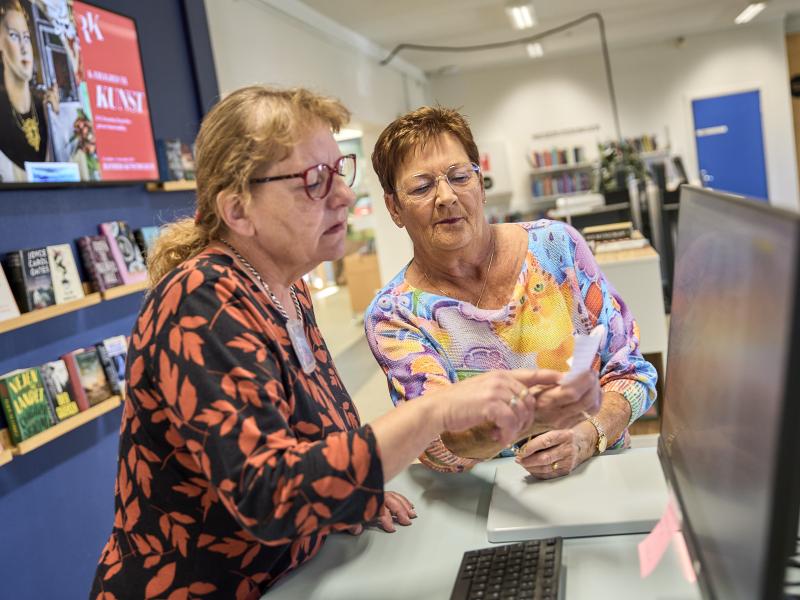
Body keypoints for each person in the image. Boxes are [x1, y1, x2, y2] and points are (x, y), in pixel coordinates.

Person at [90, 86, 599, 599]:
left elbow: (318, 430)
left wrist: (354, 489)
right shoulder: (201, 300)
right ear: (239, 211)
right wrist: (437, 410)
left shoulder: (285, 287)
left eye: (338, 171)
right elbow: (270, 497)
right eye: (313, 181)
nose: (341, 195)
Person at [366, 106, 658, 477]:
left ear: (480, 183)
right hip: (491, 494)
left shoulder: (556, 248)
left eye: (459, 176)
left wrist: (586, 437)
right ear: (394, 207)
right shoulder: (395, 314)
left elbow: (633, 371)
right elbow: (436, 444)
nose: (446, 197)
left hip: (597, 472)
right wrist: (531, 418)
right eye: (422, 187)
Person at [0, 0, 58, 182]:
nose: (25, 48)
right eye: (14, 36)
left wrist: (55, 119)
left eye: (26, 37)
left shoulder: (44, 106)